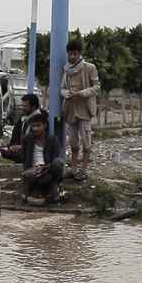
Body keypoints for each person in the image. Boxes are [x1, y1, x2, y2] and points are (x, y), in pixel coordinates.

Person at [60, 40, 100, 181]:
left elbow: (96, 87)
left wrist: (83, 93)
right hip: (70, 110)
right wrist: (66, 94)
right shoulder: (67, 70)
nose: (72, 57)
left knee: (86, 141)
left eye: (75, 54)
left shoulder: (89, 68)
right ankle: (73, 169)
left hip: (84, 110)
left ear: (79, 53)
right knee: (73, 142)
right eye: (70, 54)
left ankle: (83, 170)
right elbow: (62, 88)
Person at [15, 112, 65, 203]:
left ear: (44, 126)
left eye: (38, 126)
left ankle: (56, 188)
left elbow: (55, 158)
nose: (35, 129)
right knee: (29, 176)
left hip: (48, 169)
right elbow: (24, 158)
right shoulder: (27, 139)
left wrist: (45, 167)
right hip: (32, 170)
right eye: (33, 126)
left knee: (58, 162)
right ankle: (31, 192)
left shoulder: (52, 140)